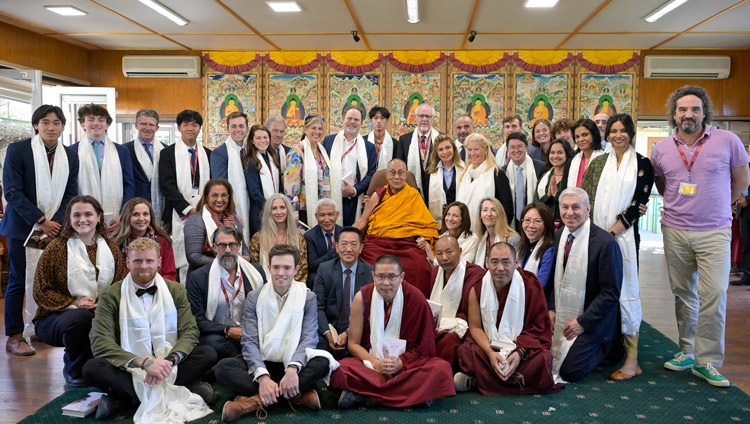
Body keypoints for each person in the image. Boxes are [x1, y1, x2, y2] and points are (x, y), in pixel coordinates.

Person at [651, 85, 750, 387]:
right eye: (682, 109)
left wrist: (723, 204)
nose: (688, 114)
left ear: (705, 111)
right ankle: (686, 351)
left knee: (715, 294)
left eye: (695, 109)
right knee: (684, 294)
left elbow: (742, 179)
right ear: (674, 114)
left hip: (714, 230)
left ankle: (707, 360)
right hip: (675, 230)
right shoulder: (662, 148)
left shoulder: (728, 140)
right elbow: (660, 182)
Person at [83, 237, 216, 422]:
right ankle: (184, 390)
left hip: (169, 366)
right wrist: (144, 363)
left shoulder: (175, 290)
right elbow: (100, 341)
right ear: (128, 262)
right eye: (137, 261)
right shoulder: (110, 295)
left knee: (208, 352)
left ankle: (126, 399)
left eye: (149, 261)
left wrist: (168, 362)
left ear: (159, 262)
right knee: (92, 368)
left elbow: (190, 331)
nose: (143, 266)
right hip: (131, 368)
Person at [215, 245, 335, 422]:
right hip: (263, 361)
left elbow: (308, 338)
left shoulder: (307, 297)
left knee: (323, 362)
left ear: (296, 269)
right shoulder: (255, 297)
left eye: (287, 268)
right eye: (276, 267)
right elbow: (249, 341)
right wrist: (262, 377)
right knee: (222, 368)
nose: (281, 273)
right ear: (269, 268)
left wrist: (293, 368)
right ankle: (294, 395)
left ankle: (256, 400)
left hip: (293, 362)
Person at [581, 113, 654, 381]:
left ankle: (632, 360)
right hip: (596, 235)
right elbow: (585, 196)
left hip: (622, 238)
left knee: (626, 291)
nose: (617, 135)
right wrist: (593, 233)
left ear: (631, 133)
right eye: (613, 131)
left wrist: (612, 232)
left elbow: (638, 203)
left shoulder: (643, 164)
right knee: (599, 291)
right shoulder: (599, 163)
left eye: (623, 130)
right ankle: (607, 350)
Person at [329, 255, 456, 408]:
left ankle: (366, 396)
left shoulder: (416, 298)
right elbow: (353, 344)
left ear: (402, 276)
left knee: (441, 369)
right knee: (339, 369)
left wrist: (401, 363)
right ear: (373, 276)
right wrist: (375, 363)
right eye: (380, 277)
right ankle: (414, 396)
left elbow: (425, 348)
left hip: (405, 365)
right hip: (371, 362)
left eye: (392, 277)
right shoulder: (362, 297)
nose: (386, 283)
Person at [1, 105, 78, 356]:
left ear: (63, 127)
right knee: (19, 279)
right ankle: (14, 335)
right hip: (23, 227)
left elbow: (70, 192)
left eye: (56, 122)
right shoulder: (18, 150)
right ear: (36, 125)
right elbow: (12, 191)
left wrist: (54, 222)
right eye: (45, 122)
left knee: (47, 278)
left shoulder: (69, 155)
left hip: (53, 229)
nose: (51, 127)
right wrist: (40, 220)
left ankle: (41, 326)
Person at [33, 195, 126, 387]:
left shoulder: (111, 248)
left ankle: (107, 367)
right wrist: (72, 303)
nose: (82, 220)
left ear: (99, 217)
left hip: (100, 310)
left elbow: (119, 284)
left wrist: (102, 303)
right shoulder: (56, 248)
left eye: (88, 214)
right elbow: (40, 290)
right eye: (76, 215)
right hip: (55, 317)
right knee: (82, 317)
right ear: (69, 218)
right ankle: (74, 369)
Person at [456, 242, 558, 395]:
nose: (500, 268)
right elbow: (475, 327)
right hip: (489, 344)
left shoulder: (530, 284)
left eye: (506, 262)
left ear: (516, 262)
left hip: (521, 346)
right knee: (466, 352)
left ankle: (480, 380)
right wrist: (491, 354)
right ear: (486, 262)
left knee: (543, 358)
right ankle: (515, 381)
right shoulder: (476, 285)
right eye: (494, 262)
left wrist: (519, 353)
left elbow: (538, 328)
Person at [549, 188, 622, 383]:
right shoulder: (560, 235)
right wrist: (552, 308)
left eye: (576, 207)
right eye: (564, 207)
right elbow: (557, 279)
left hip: (594, 319)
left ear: (588, 209)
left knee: (570, 372)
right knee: (541, 357)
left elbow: (610, 293)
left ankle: (608, 346)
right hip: (565, 312)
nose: (569, 213)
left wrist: (583, 322)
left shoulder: (605, 243)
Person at [354, 159, 439, 297]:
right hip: (378, 242)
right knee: (366, 265)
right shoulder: (378, 194)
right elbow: (362, 221)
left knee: (420, 267)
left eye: (401, 173)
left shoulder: (413, 195)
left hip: (407, 244)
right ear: (387, 175)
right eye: (392, 173)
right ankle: (368, 302)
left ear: (406, 175)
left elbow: (425, 224)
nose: (397, 177)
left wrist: (424, 238)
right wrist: (345, 236)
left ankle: (415, 305)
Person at [187, 225, 266, 359]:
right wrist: (227, 330)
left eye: (232, 245)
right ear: (215, 247)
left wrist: (247, 331)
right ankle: (245, 359)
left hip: (249, 331)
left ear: (239, 246)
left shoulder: (256, 272)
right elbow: (197, 320)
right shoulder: (198, 277)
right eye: (222, 245)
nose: (228, 250)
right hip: (219, 335)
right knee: (213, 343)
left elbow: (265, 310)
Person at [158, 109, 211, 282]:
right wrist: (188, 209)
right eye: (186, 124)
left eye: (194, 125)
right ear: (179, 128)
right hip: (177, 212)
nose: (190, 128)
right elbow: (167, 185)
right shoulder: (167, 153)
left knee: (202, 252)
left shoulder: (208, 154)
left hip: (204, 211)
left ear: (199, 128)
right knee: (179, 255)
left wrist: (202, 208)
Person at [71, 103, 135, 230]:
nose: (96, 123)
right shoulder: (72, 151)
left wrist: (123, 214)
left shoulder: (121, 151)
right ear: (83, 124)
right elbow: (70, 188)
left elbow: (129, 185)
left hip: (115, 217)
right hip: (83, 218)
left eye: (101, 120)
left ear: (107, 125)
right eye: (90, 119)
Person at [313, 226, 373, 357]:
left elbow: (369, 310)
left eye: (354, 245)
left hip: (359, 333)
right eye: (344, 244)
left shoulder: (369, 273)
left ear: (361, 248)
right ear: (336, 246)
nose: (349, 249)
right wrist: (328, 333)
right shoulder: (325, 269)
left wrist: (347, 333)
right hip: (331, 330)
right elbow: (318, 306)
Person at [429, 236, 486, 370]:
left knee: (449, 341)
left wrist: (449, 324)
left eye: (449, 252)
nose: (444, 258)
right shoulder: (436, 272)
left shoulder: (475, 273)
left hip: (467, 326)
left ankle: (441, 374)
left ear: (460, 252)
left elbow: (478, 314)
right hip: (439, 325)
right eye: (439, 253)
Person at [322, 106, 377, 226]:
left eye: (356, 120)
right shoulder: (329, 141)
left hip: (354, 199)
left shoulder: (369, 147)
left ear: (362, 123)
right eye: (349, 118)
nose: (352, 122)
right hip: (330, 197)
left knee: (351, 234)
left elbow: (371, 173)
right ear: (343, 120)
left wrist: (354, 190)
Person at [184, 178, 250, 276]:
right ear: (206, 197)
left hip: (235, 275)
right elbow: (194, 257)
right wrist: (229, 262)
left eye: (224, 195)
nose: (219, 199)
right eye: (214, 195)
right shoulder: (195, 222)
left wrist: (246, 257)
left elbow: (243, 247)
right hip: (205, 277)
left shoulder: (234, 219)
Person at [112, 197, 177, 281]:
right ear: (127, 216)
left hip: (158, 289)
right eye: (136, 214)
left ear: (151, 217)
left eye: (145, 214)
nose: (141, 218)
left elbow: (170, 274)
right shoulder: (116, 243)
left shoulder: (163, 241)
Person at [210, 111, 250, 246]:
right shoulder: (220, 153)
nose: (238, 130)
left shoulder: (249, 150)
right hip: (234, 210)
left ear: (247, 128)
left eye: (241, 126)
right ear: (228, 128)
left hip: (250, 206)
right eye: (233, 126)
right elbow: (220, 187)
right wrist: (232, 212)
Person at [456, 133, 514, 225]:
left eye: (476, 149)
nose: (472, 153)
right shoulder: (465, 174)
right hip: (465, 233)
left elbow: (507, 209)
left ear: (486, 150)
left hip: (490, 231)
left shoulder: (497, 173)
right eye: (469, 150)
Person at [284, 114, 331, 226]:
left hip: (322, 208)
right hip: (304, 209)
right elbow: (291, 186)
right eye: (313, 128)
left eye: (320, 129)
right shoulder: (297, 152)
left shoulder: (322, 151)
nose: (317, 132)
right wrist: (293, 212)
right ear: (305, 129)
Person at [249, 193, 308, 282]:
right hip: (265, 289)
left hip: (294, 289)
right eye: (274, 208)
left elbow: (303, 270)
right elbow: (255, 271)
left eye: (282, 207)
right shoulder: (258, 238)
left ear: (288, 210)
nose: (279, 212)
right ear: (269, 212)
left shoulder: (299, 237)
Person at [125, 108, 164, 224]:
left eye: (151, 125)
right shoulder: (124, 150)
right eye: (143, 124)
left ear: (157, 127)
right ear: (136, 125)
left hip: (160, 208)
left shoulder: (166, 151)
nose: (147, 128)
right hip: (134, 211)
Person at [246, 124, 282, 236]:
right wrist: (270, 207)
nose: (263, 141)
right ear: (252, 141)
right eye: (258, 138)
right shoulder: (250, 161)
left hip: (274, 209)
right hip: (260, 211)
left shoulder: (272, 157)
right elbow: (254, 192)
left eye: (265, 137)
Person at [503, 132, 546, 226]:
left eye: (519, 146)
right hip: (511, 220)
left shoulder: (540, 167)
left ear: (526, 148)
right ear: (508, 150)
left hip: (535, 219)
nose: (516, 150)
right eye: (512, 147)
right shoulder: (503, 171)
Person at [396, 103, 440, 193]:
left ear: (433, 119)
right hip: (411, 188)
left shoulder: (440, 138)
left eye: (428, 116)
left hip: (435, 189)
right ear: (415, 118)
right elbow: (399, 167)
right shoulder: (404, 140)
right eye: (421, 116)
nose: (424, 119)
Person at [517, 203, 556, 297]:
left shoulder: (549, 251)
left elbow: (540, 285)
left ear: (546, 225)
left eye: (537, 221)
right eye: (527, 220)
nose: (531, 225)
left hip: (536, 303)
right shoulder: (523, 246)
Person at [536, 138, 574, 228]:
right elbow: (536, 203)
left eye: (560, 152)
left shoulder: (572, 177)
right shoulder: (545, 177)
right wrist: (547, 196)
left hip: (566, 225)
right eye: (552, 153)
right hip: (546, 225)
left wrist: (557, 195)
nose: (555, 156)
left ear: (567, 154)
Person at [424, 134, 464, 222]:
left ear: (453, 149)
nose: (445, 152)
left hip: (461, 219)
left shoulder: (465, 170)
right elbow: (426, 200)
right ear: (436, 153)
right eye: (440, 150)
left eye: (448, 147)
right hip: (440, 221)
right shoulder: (430, 174)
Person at [304, 199, 342, 286]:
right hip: (320, 273)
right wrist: (334, 251)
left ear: (337, 215)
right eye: (322, 215)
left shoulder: (344, 233)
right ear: (316, 216)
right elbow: (313, 265)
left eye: (330, 215)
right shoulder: (310, 236)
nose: (326, 219)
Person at [473, 198, 520, 268]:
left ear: (500, 214)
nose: (489, 214)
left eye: (493, 210)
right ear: (480, 215)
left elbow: (518, 269)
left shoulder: (513, 239)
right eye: (485, 210)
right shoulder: (480, 241)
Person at [562, 118, 604, 190]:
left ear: (594, 135)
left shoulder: (604, 160)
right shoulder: (571, 162)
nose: (580, 140)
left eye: (585, 135)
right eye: (577, 137)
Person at [367, 106, 396, 170]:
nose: (379, 121)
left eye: (382, 118)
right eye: (375, 118)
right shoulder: (363, 141)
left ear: (387, 121)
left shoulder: (395, 143)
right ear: (371, 121)